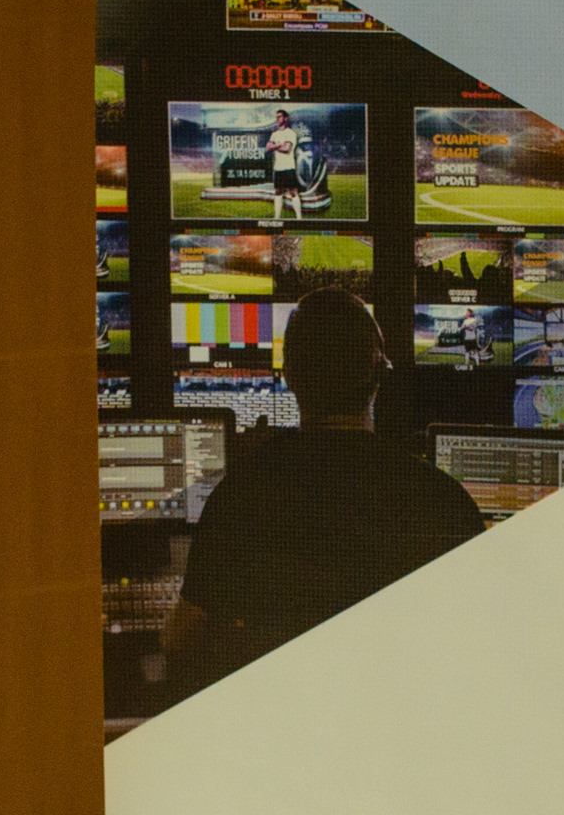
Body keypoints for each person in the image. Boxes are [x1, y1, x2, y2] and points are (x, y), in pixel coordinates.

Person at [157, 288, 482, 703]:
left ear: (289, 377)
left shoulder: (239, 496)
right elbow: (478, 641)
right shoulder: (444, 500)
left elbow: (180, 639)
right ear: (378, 376)